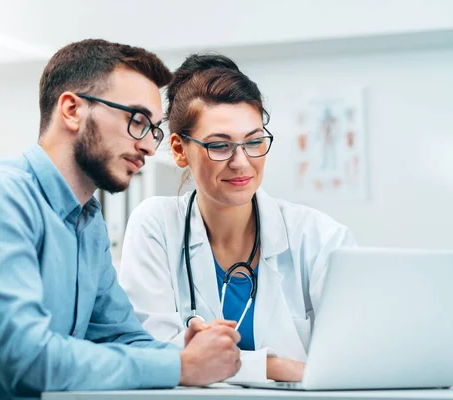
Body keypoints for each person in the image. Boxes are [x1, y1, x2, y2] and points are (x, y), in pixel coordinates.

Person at [0, 40, 243, 399]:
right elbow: (29, 362)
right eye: (137, 120)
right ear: (71, 110)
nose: (149, 145)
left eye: (154, 129)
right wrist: (181, 367)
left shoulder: (88, 221)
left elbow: (119, 335)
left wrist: (185, 354)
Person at [118, 54, 356, 382]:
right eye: (219, 145)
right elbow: (149, 353)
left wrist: (210, 361)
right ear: (178, 149)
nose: (241, 162)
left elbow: (352, 360)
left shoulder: (320, 238)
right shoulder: (156, 224)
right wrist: (275, 367)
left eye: (254, 141)